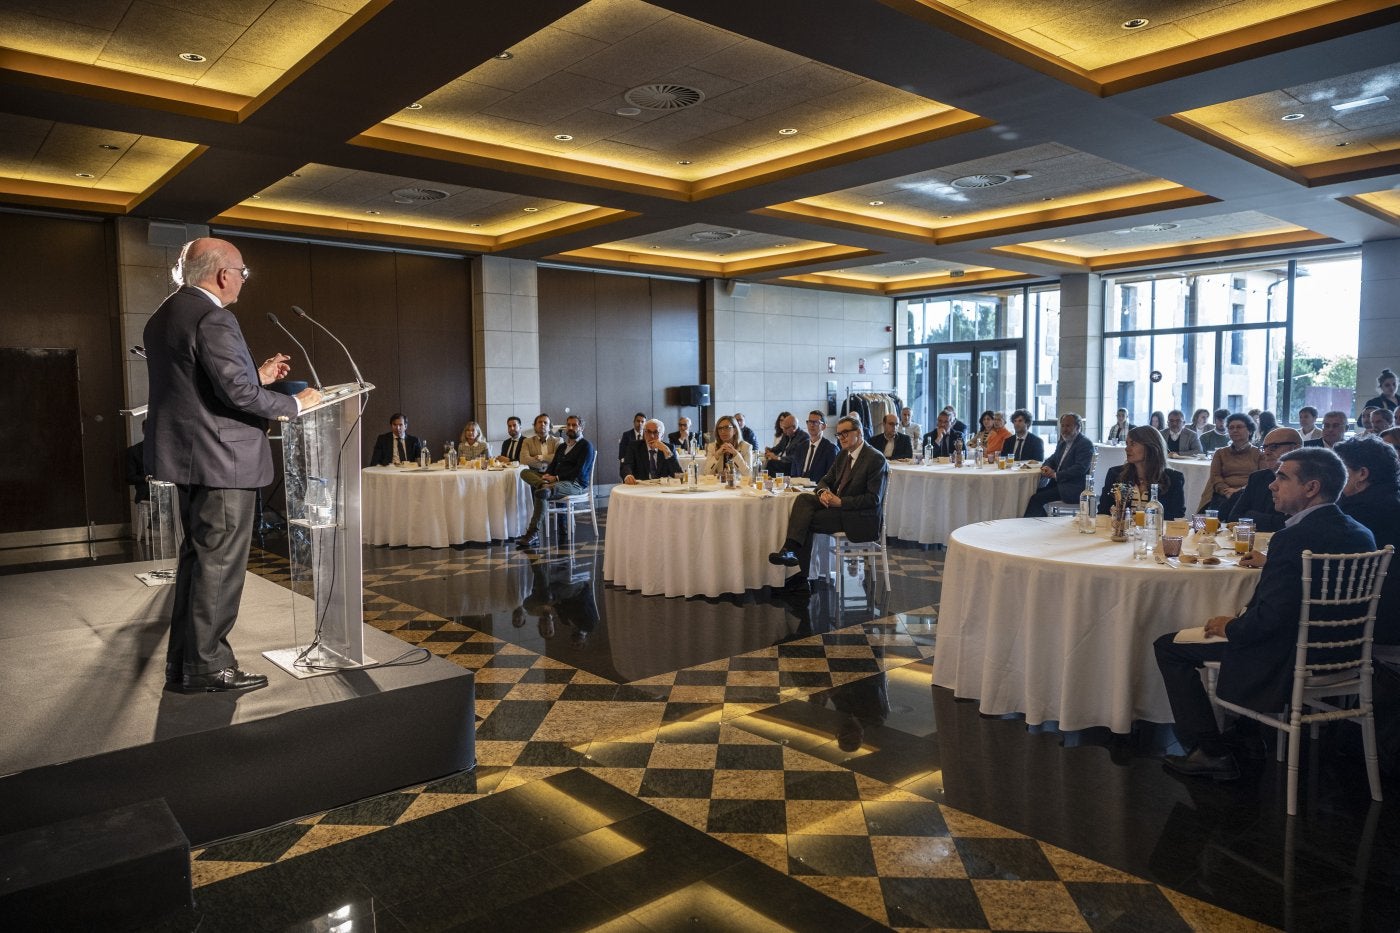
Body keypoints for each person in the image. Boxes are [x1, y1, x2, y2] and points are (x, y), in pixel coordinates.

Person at [144, 237, 320, 693]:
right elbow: (237, 396)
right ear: (223, 274)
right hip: (223, 461)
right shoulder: (214, 316)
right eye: (243, 271)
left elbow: (201, 383)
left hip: (191, 456)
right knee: (219, 567)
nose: (243, 279)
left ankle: (184, 666)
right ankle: (208, 669)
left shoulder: (167, 313)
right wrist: (294, 403)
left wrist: (256, 375)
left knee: (199, 563)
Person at [1153, 447, 1375, 779]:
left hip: (1287, 658)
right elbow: (1317, 587)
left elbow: (1268, 621)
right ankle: (1247, 735)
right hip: (1344, 653)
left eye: (1282, 477)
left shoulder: (1292, 538)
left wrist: (1230, 625)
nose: (1272, 484)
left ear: (1311, 488)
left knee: (1168, 646)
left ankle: (1211, 752)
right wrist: (1272, 563)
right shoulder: (1360, 532)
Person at [768, 415, 888, 601]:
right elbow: (825, 480)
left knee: (807, 519)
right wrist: (823, 492)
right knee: (804, 499)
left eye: (846, 433)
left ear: (859, 432)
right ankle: (791, 554)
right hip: (839, 508)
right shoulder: (843, 455)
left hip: (860, 517)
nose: (841, 438)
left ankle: (800, 576)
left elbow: (873, 499)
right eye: (839, 434)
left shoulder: (875, 459)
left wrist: (841, 502)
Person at [1334, 438, 1399, 643]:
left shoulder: (1363, 510)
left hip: (1370, 611)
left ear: (1362, 474)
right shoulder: (1389, 497)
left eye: (1340, 469)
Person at [516, 414, 593, 547]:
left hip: (575, 484)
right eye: (568, 425)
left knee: (545, 491)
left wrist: (556, 478)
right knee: (524, 472)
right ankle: (543, 484)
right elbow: (552, 466)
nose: (570, 427)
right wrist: (546, 476)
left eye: (574, 425)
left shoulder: (586, 446)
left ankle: (532, 533)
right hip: (554, 482)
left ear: (581, 427)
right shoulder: (562, 447)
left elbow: (579, 472)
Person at [1095, 425, 1186, 519]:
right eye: (1127, 444)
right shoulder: (1115, 474)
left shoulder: (1173, 479)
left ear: (1150, 447)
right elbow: (1103, 512)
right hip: (1121, 532)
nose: (1127, 449)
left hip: (1156, 532)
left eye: (1133, 444)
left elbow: (1176, 519)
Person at [1223, 427, 1302, 532]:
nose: (1267, 452)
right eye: (1264, 448)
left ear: (1296, 448)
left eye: (1274, 447)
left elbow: (1293, 523)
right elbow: (1234, 517)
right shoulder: (1258, 478)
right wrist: (1272, 520)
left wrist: (1251, 515)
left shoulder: (1305, 480)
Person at [1023, 413, 1093, 517]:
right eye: (1063, 426)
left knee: (1035, 499)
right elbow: (1053, 458)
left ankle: (1038, 526)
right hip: (1059, 484)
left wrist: (1055, 475)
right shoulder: (1063, 441)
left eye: (1068, 426)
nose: (1064, 429)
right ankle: (1041, 523)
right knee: (1029, 494)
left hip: (1073, 488)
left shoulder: (1084, 443)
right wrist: (1046, 467)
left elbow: (1080, 468)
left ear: (1078, 427)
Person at [1201, 412, 1262, 512]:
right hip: (1223, 495)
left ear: (1250, 431)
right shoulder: (1220, 453)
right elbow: (1215, 477)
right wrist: (1226, 491)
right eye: (1231, 427)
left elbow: (1260, 479)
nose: (1234, 430)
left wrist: (1239, 491)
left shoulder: (1258, 454)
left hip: (1249, 494)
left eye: (1239, 427)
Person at [621, 418, 681, 483]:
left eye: (656, 432)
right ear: (644, 433)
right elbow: (626, 465)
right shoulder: (634, 446)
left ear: (662, 435)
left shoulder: (669, 448)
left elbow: (678, 475)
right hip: (640, 488)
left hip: (661, 488)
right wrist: (628, 475)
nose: (652, 436)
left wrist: (666, 451)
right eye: (648, 432)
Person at [702, 414, 753, 479]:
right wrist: (716, 455)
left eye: (727, 427)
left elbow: (749, 474)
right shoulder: (712, 447)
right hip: (718, 486)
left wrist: (736, 454)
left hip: (738, 486)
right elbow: (706, 473)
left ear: (735, 430)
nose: (722, 431)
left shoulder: (746, 447)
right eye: (720, 428)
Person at [792, 410, 838, 481]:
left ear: (824, 426)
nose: (811, 425)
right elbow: (793, 474)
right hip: (798, 488)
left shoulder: (830, 449)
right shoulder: (800, 447)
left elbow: (831, 477)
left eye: (816, 422)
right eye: (809, 422)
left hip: (817, 488)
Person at [764, 411, 801, 476]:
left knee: (771, 463)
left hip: (792, 466)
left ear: (794, 427)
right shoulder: (786, 434)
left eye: (786, 428)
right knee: (768, 462)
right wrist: (770, 450)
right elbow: (779, 448)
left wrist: (778, 458)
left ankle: (770, 483)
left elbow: (795, 458)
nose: (783, 430)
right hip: (784, 463)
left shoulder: (803, 437)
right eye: (783, 428)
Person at [618, 412, 645, 479]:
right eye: (638, 421)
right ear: (634, 422)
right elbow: (621, 454)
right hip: (630, 464)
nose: (640, 424)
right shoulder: (627, 435)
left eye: (642, 422)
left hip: (644, 465)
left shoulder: (647, 436)